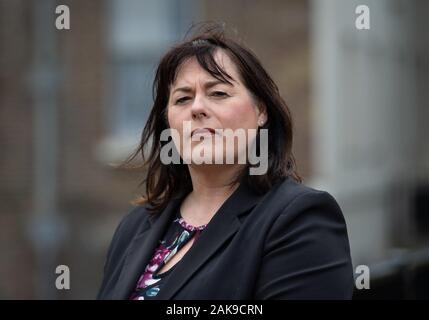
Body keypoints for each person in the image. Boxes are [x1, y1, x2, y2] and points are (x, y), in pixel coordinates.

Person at [97, 26, 354, 300]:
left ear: (261, 111)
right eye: (182, 98)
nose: (197, 108)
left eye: (218, 93)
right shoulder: (135, 226)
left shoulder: (300, 219)